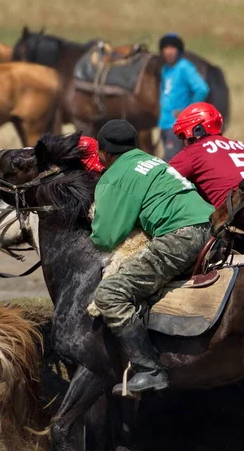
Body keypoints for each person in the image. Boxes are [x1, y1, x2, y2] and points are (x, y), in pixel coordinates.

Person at [90, 119, 214, 396]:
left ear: (104, 152)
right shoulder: (153, 161)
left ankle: (149, 370)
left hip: (181, 237)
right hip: (213, 229)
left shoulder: (115, 175)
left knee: (110, 294)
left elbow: (106, 237)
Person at [170, 102, 244, 208]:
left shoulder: (194, 151)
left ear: (197, 130)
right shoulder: (240, 145)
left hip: (237, 218)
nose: (183, 143)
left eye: (183, 136)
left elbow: (157, 181)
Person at [158, 33, 209, 162]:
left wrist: (188, 111)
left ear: (179, 50)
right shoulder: (166, 69)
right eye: (166, 48)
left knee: (171, 162)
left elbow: (201, 89)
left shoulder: (185, 67)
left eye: (172, 48)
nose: (168, 52)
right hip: (165, 123)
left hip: (178, 125)